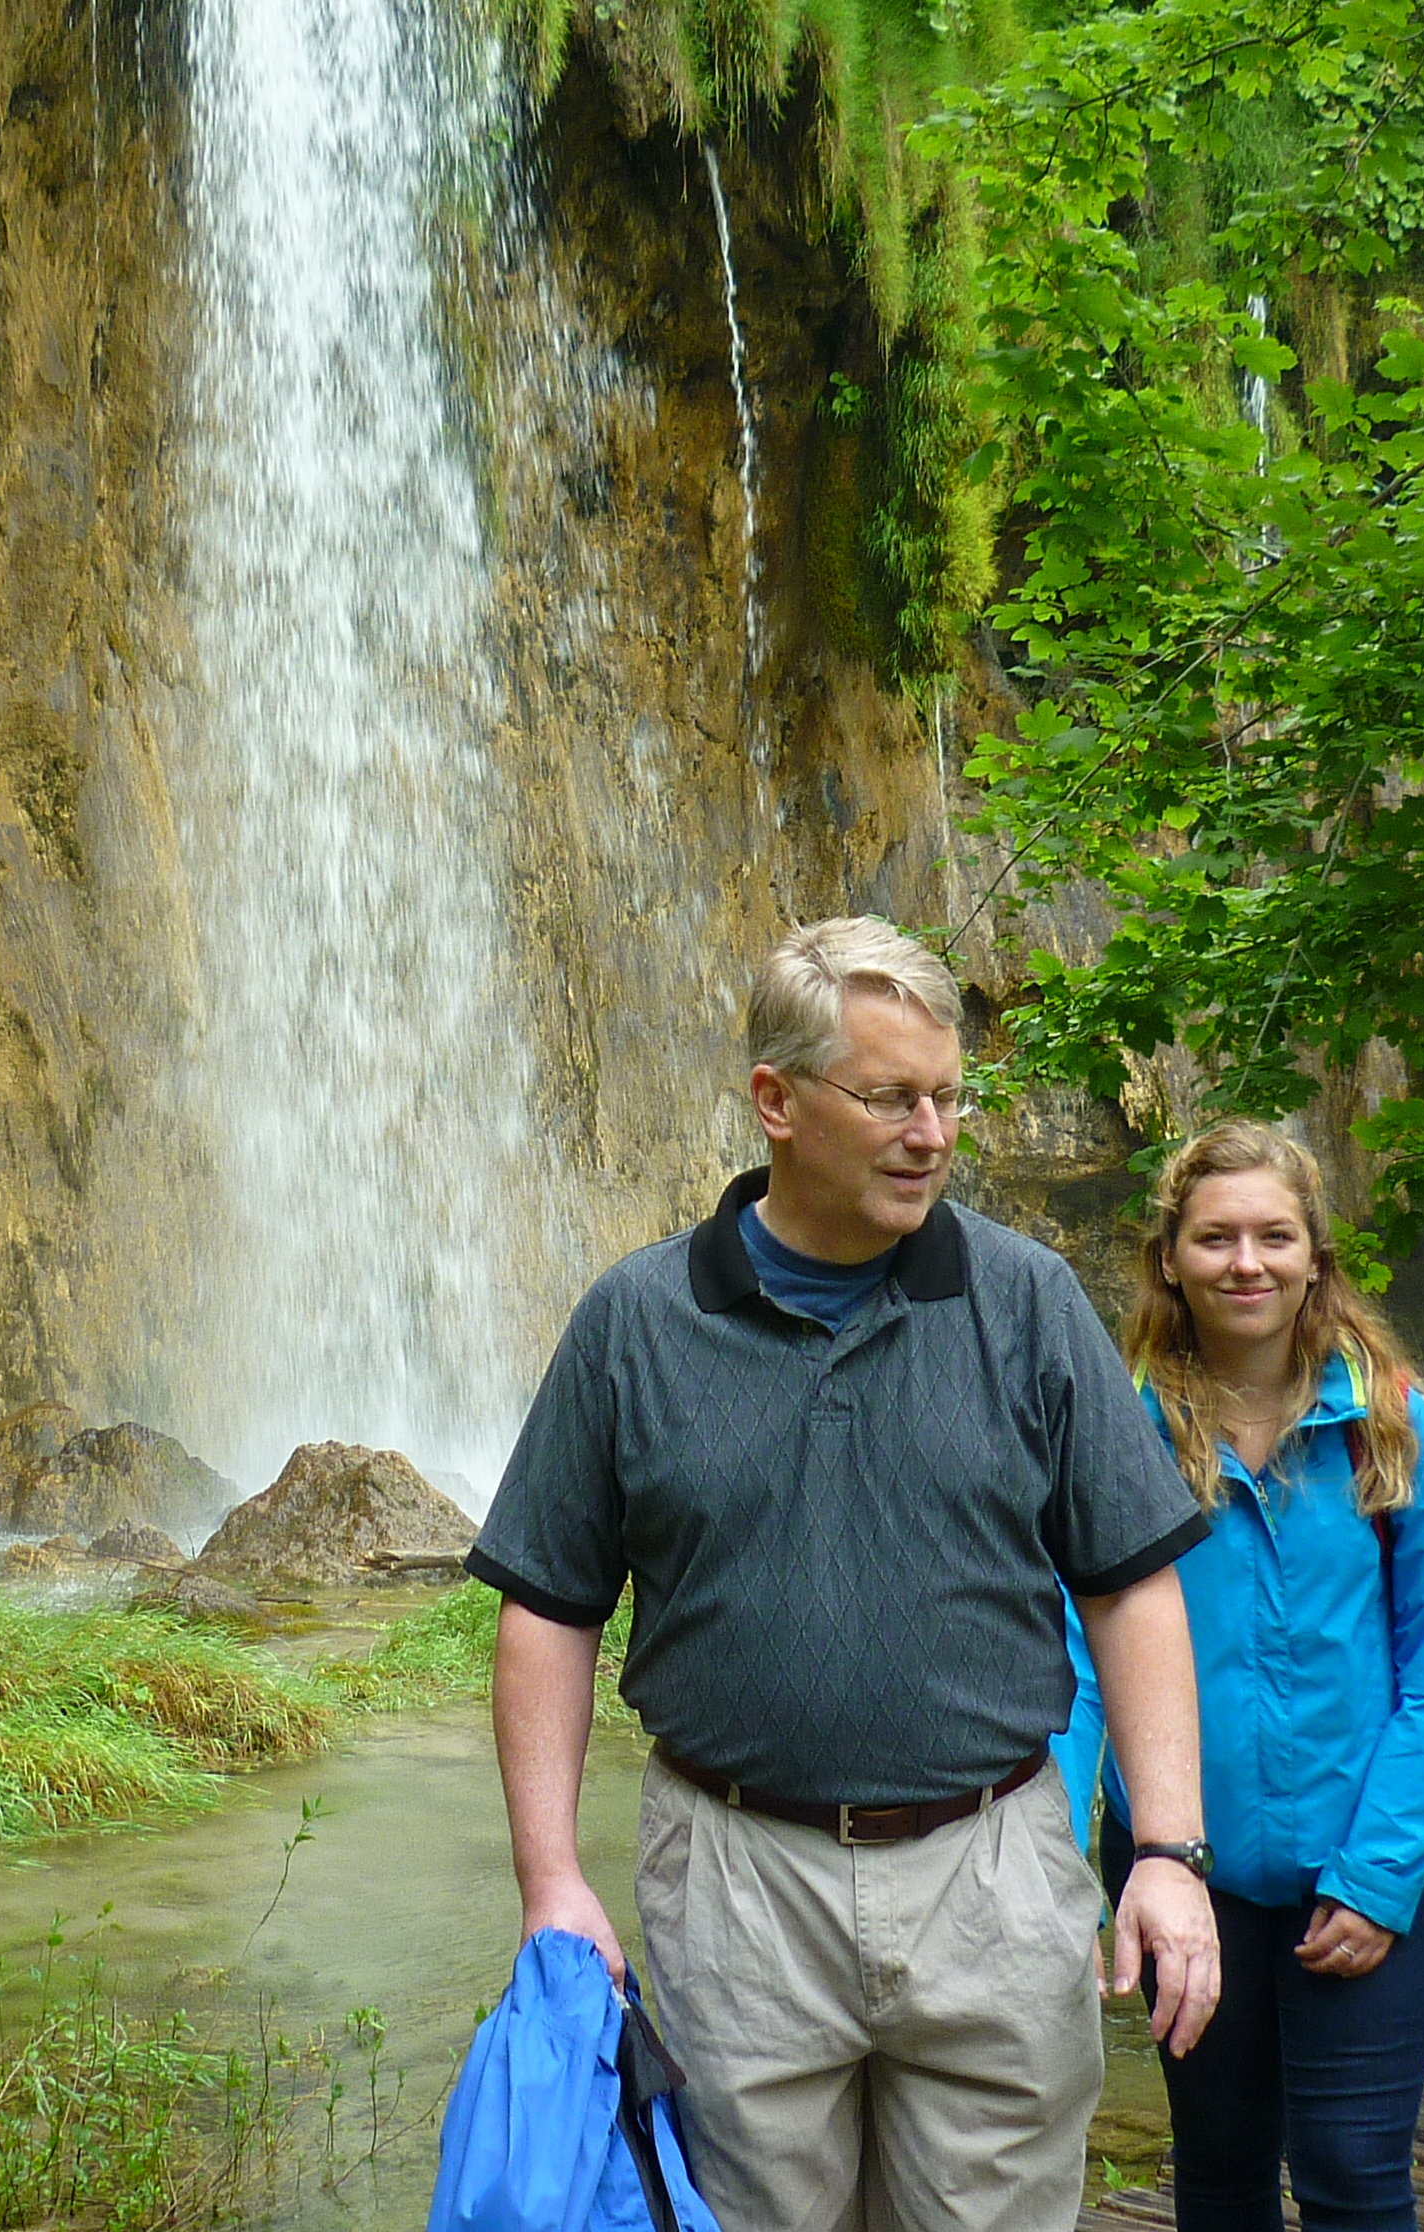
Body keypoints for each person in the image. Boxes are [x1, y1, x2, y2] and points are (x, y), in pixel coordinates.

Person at [469, 915, 1222, 2232]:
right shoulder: (635, 1321)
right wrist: (551, 1879)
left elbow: (1128, 1585)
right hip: (735, 1878)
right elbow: (549, 1607)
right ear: (776, 1100)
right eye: (890, 1098)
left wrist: (1167, 1851)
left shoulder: (1028, 1300)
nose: (932, 1132)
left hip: (992, 1866)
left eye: (948, 1097)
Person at [1092, 1119, 1424, 2232]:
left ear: (1317, 1255)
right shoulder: (1116, 1435)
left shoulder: (1396, 1434)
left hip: (1361, 1863)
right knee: (1219, 2169)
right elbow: (1074, 1663)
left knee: (1353, 2173)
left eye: (1274, 1235)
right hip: (1182, 1865)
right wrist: (1058, 1857)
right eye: (1215, 1238)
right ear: (1170, 1258)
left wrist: (1379, 1875)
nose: (1246, 1263)